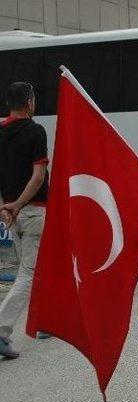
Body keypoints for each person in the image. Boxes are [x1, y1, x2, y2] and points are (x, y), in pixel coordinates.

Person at [0, 82, 49, 359]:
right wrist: (19, 205)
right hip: (33, 212)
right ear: (29, 102)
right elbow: (38, 176)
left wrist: (6, 209)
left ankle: (45, 321)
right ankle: (2, 330)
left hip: (13, 215)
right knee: (28, 274)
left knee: (36, 268)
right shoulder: (35, 131)